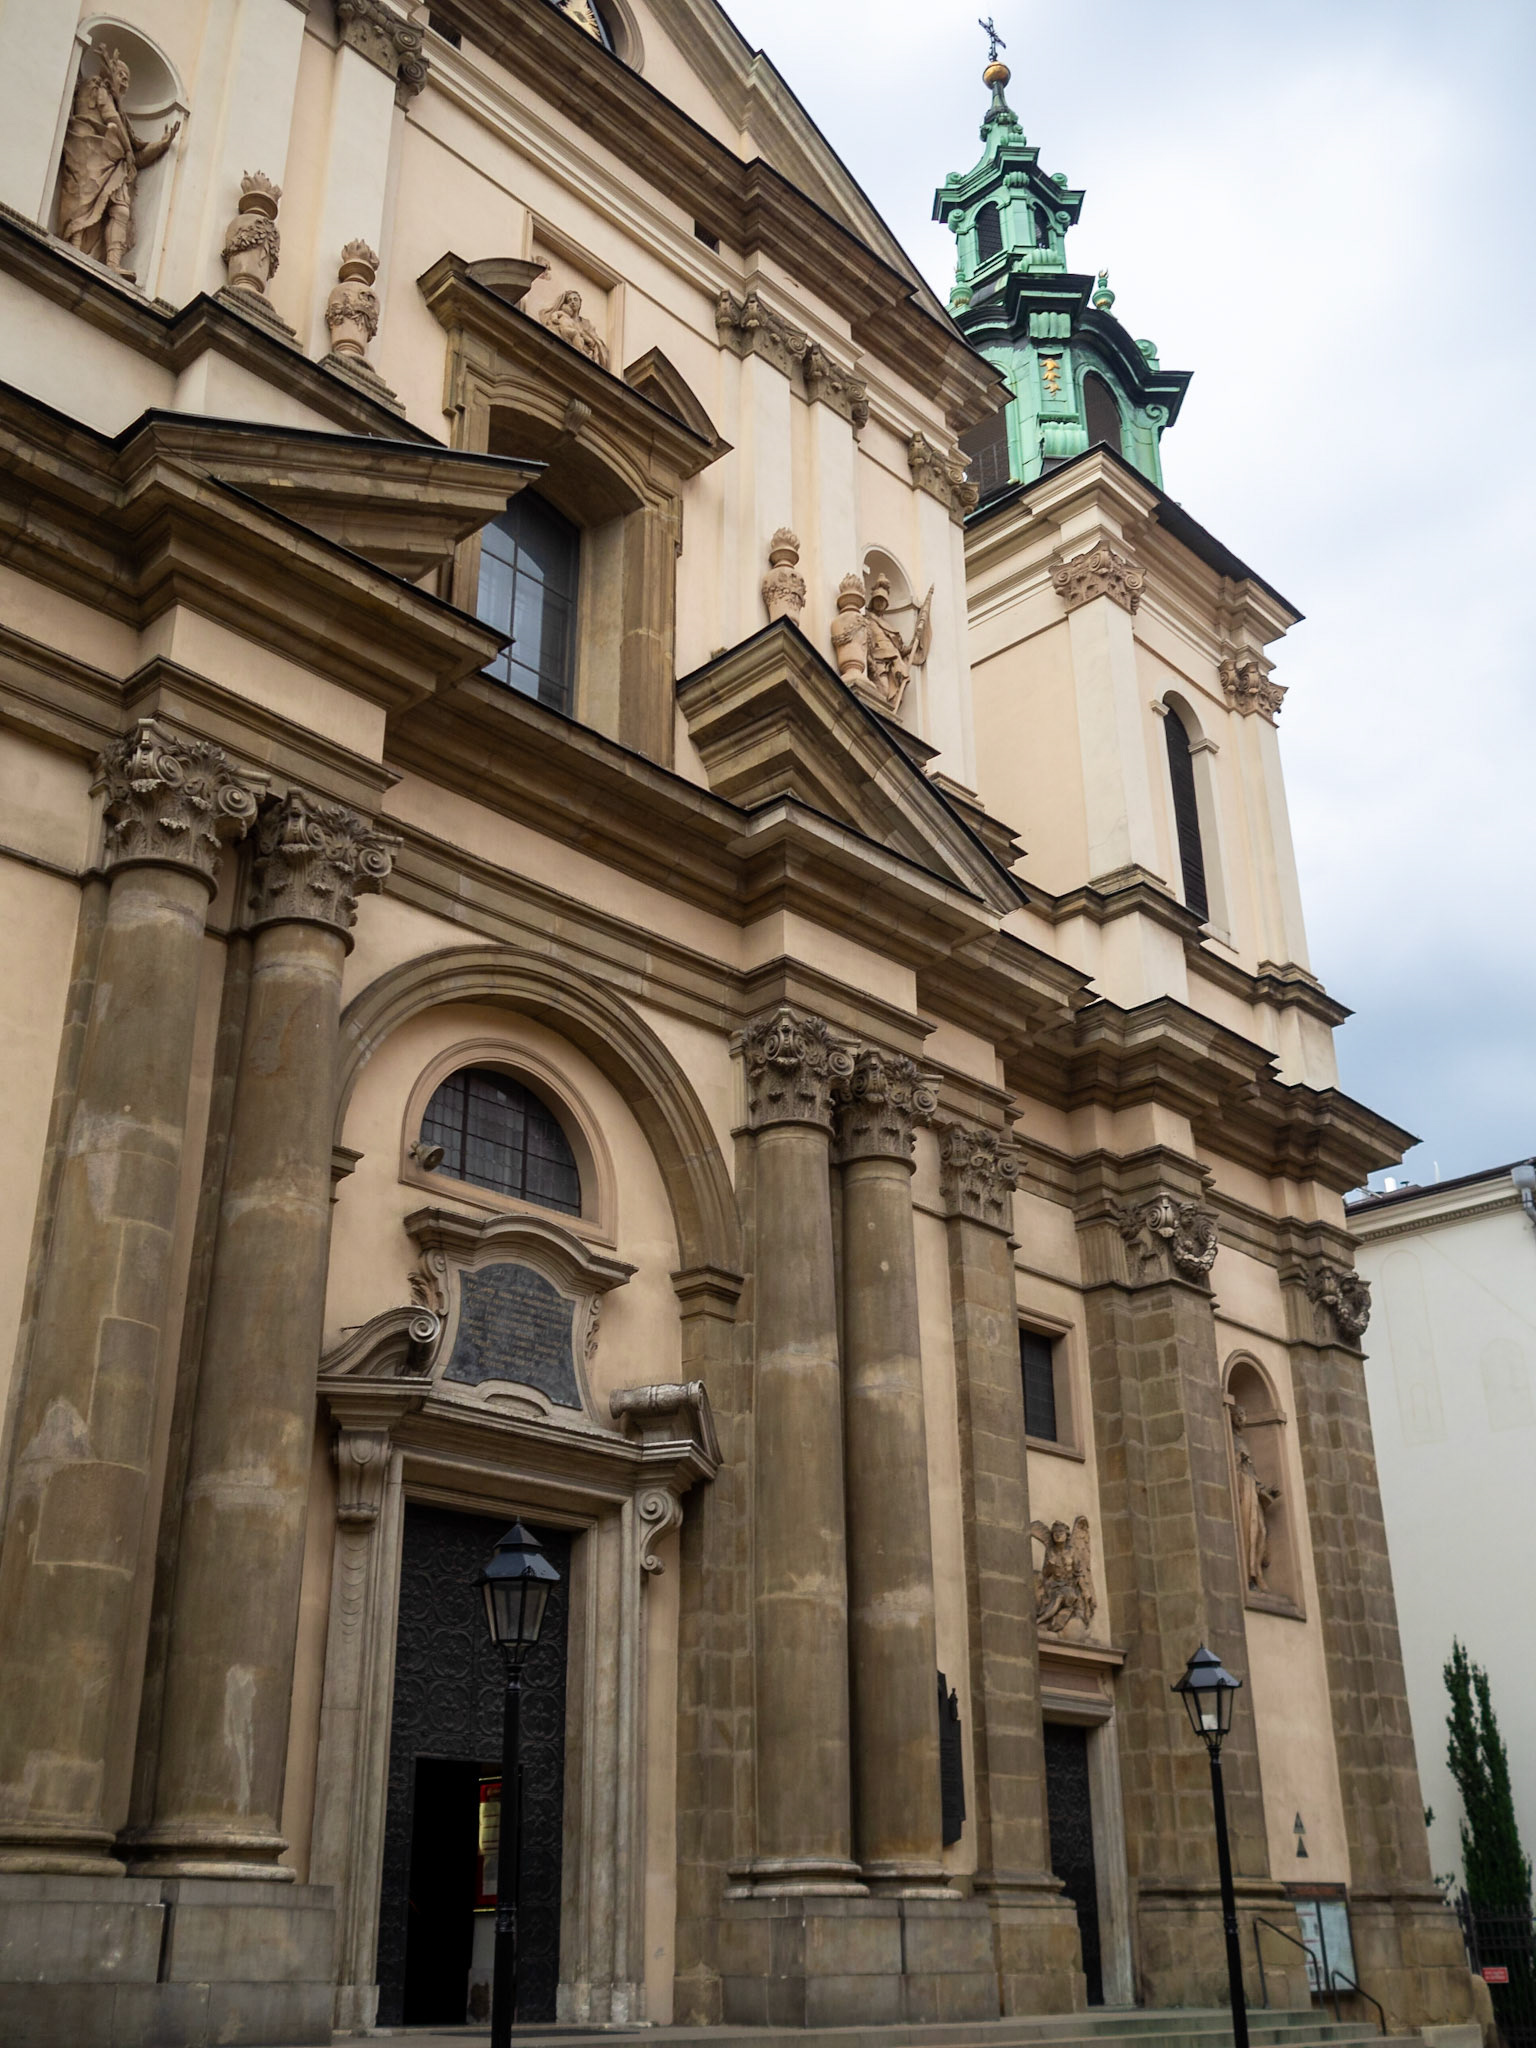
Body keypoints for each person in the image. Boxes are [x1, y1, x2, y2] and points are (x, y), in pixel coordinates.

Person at [58, 50, 180, 280]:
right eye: (121, 75)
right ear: (110, 72)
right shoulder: (97, 88)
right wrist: (125, 149)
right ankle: (74, 247)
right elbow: (111, 120)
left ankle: (113, 263)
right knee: (82, 201)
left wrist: (163, 144)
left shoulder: (123, 119)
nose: (124, 81)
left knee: (121, 211)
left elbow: (137, 155)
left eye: (127, 78)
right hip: (90, 153)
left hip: (114, 164)